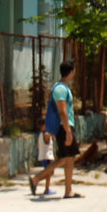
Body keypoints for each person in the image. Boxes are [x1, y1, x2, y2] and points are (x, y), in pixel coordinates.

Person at [28, 62, 83, 199]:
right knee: (66, 158)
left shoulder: (63, 88)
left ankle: (67, 190)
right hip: (63, 127)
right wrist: (68, 132)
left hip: (65, 126)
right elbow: (63, 112)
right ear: (71, 72)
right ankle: (37, 178)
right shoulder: (60, 89)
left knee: (69, 158)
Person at [34, 114, 56, 196]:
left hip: (43, 156)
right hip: (47, 157)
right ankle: (45, 187)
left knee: (49, 173)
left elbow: (38, 145)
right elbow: (53, 136)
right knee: (49, 173)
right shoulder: (46, 134)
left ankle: (36, 180)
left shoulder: (40, 134)